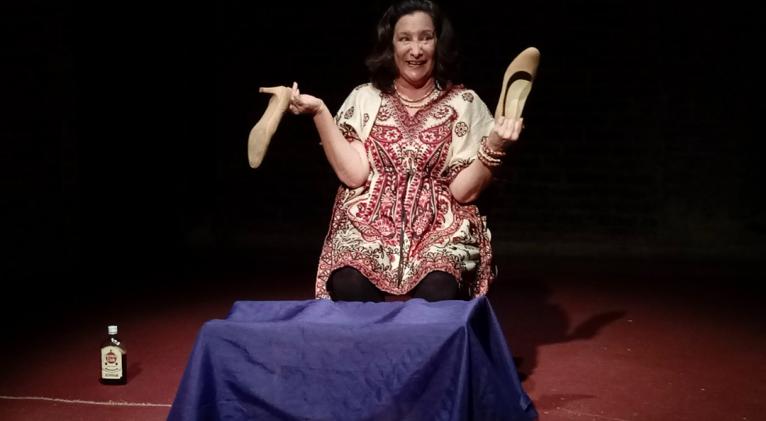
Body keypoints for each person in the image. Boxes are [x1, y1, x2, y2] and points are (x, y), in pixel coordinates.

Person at [288, 0, 524, 302]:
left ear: (438, 43)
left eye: (426, 38)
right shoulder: (365, 98)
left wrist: (494, 147)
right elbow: (354, 175)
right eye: (405, 39)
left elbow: (463, 192)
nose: (416, 50)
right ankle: (373, 335)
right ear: (391, 45)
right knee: (349, 281)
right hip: (369, 222)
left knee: (438, 287)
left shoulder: (464, 103)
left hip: (440, 227)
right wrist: (319, 111)